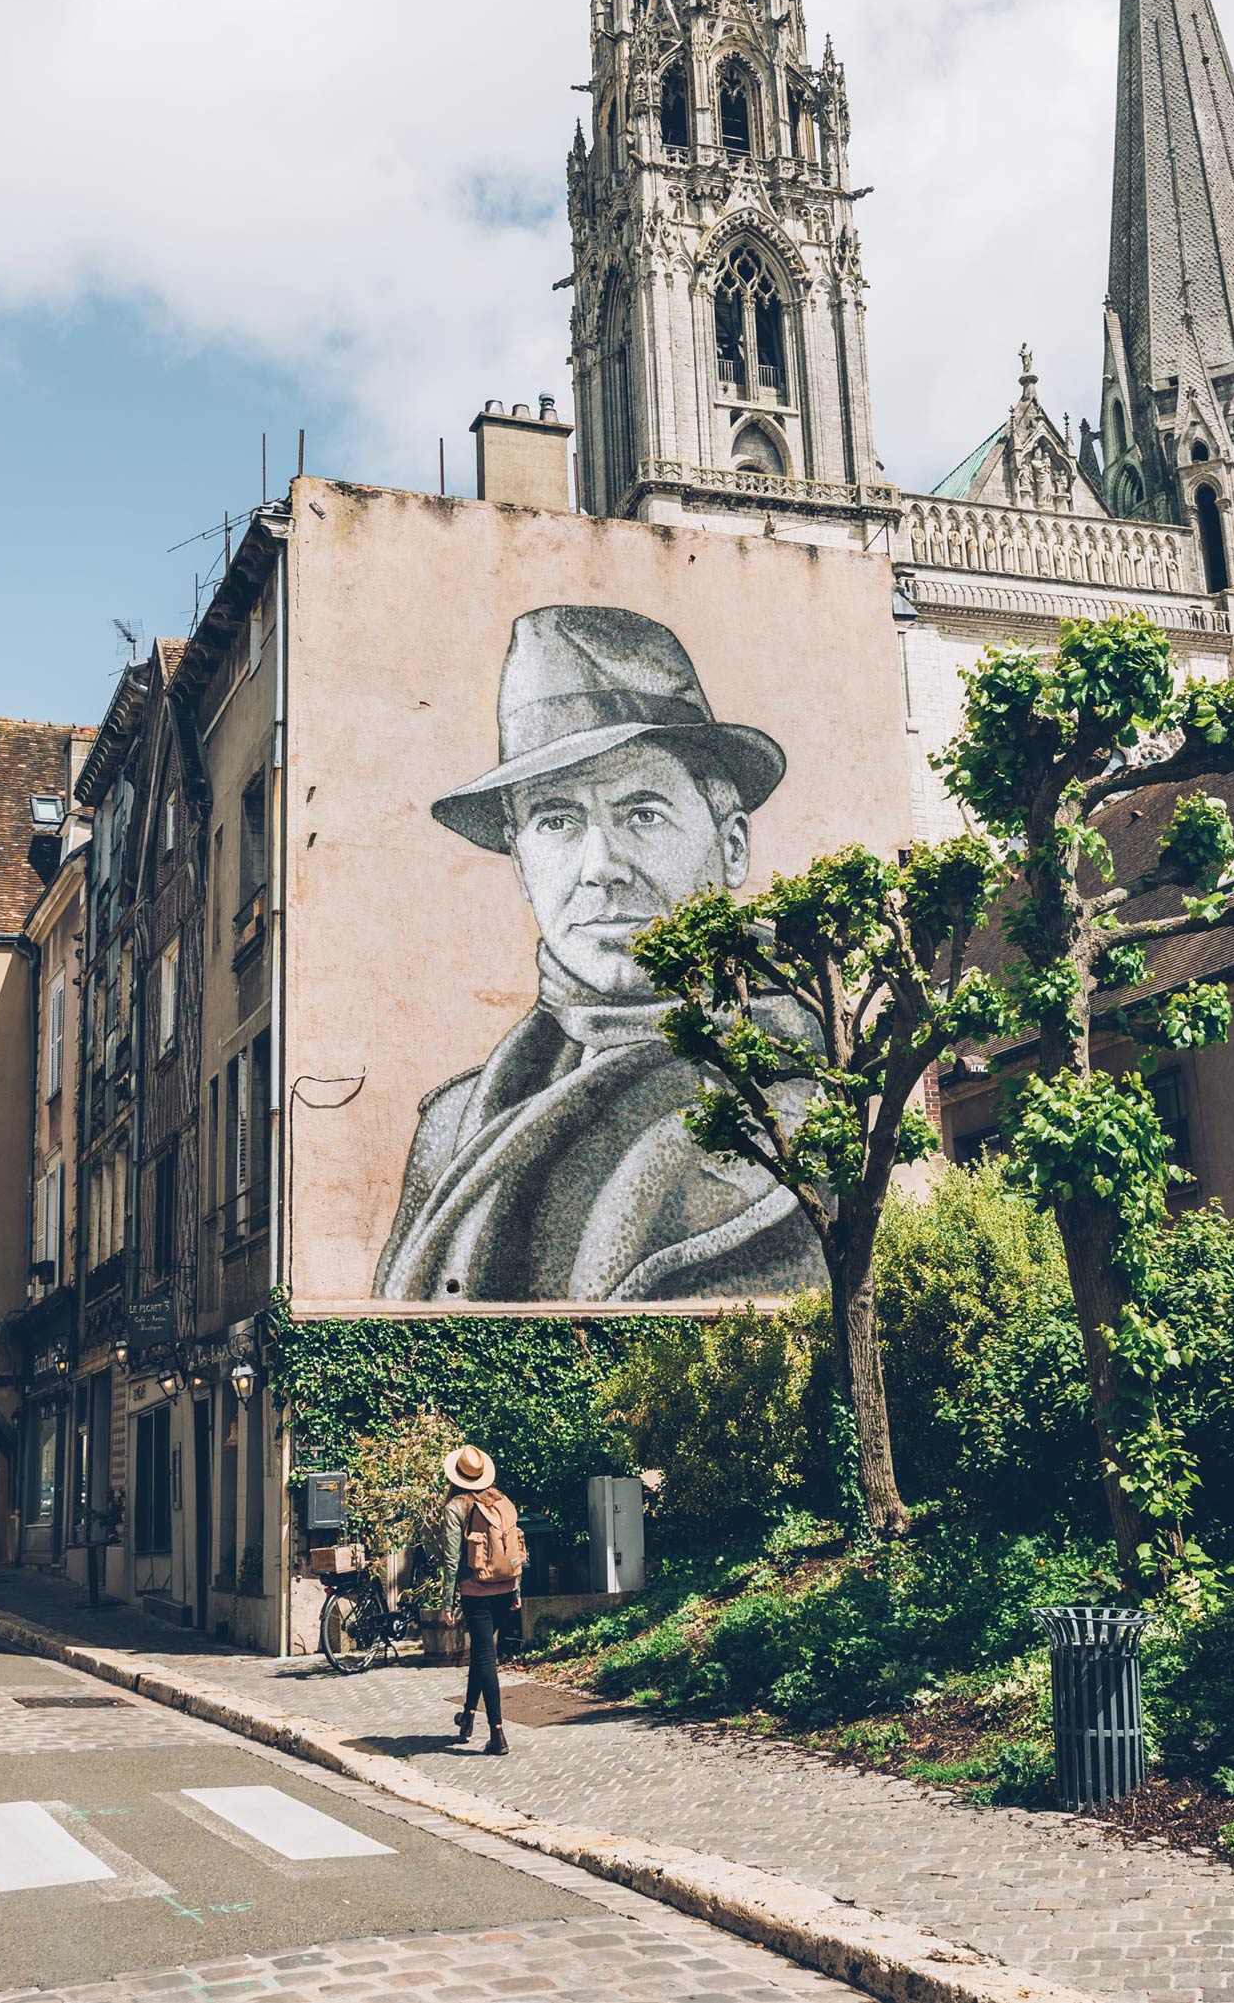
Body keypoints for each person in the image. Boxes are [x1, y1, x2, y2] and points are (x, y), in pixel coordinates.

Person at [374, 605, 826, 1304]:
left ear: (732, 845)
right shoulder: (452, 1125)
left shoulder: (807, 1099)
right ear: (521, 864)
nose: (600, 866)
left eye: (642, 812)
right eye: (557, 820)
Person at [442, 1442, 522, 1753]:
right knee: (482, 1653)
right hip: (504, 1588)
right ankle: (468, 1717)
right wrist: (516, 1589)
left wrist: (447, 1603)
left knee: (486, 1658)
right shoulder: (500, 1500)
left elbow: (451, 1560)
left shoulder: (455, 1507)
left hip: (476, 1591)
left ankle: (498, 1732)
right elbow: (514, 1550)